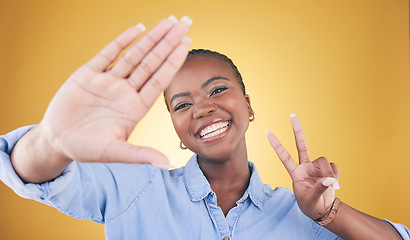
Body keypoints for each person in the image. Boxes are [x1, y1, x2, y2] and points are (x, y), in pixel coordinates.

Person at [0, 15, 409, 240]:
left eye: (217, 90)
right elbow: (31, 173)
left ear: (247, 106)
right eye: (182, 104)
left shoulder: (303, 213)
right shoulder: (136, 189)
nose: (203, 109)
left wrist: (328, 213)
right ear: (176, 127)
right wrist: (53, 141)